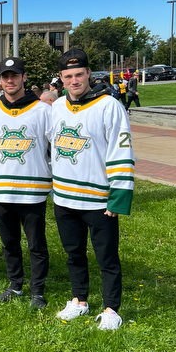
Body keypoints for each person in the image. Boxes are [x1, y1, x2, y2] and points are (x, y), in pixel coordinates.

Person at [51, 48, 134, 330]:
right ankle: (80, 300)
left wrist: (118, 197)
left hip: (98, 199)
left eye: (78, 74)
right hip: (64, 197)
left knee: (106, 257)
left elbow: (122, 151)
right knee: (74, 253)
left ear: (88, 74)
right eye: (68, 76)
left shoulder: (110, 105)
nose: (74, 81)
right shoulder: (58, 106)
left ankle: (111, 309)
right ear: (61, 79)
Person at [0, 57, 52, 309]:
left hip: (32, 191)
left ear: (24, 78)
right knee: (9, 243)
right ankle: (14, 285)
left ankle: (37, 290)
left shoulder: (43, 110)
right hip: (1, 190)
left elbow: (52, 148)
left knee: (36, 244)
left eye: (14, 75)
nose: (10, 80)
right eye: (5, 76)